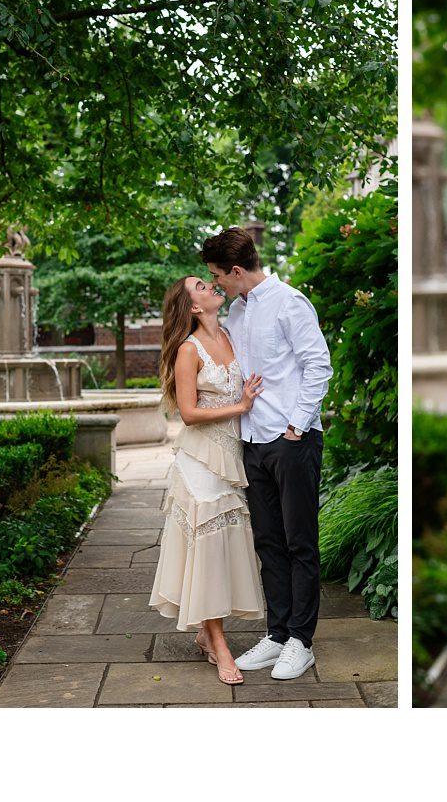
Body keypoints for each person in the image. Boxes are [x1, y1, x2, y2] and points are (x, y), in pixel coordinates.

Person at [202, 224, 331, 680]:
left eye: (218, 276)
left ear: (237, 270)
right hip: (252, 442)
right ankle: (277, 635)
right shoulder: (236, 312)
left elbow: (318, 364)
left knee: (300, 543)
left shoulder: (290, 302)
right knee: (268, 542)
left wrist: (296, 426)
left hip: (291, 440)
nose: (217, 284)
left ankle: (301, 640)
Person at [149, 276, 266, 685]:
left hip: (233, 455)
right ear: (194, 307)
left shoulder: (234, 336)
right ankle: (220, 646)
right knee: (209, 547)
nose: (211, 285)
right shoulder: (188, 350)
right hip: (200, 459)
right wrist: (241, 405)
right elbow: (188, 413)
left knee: (228, 544)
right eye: (201, 285)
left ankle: (206, 632)